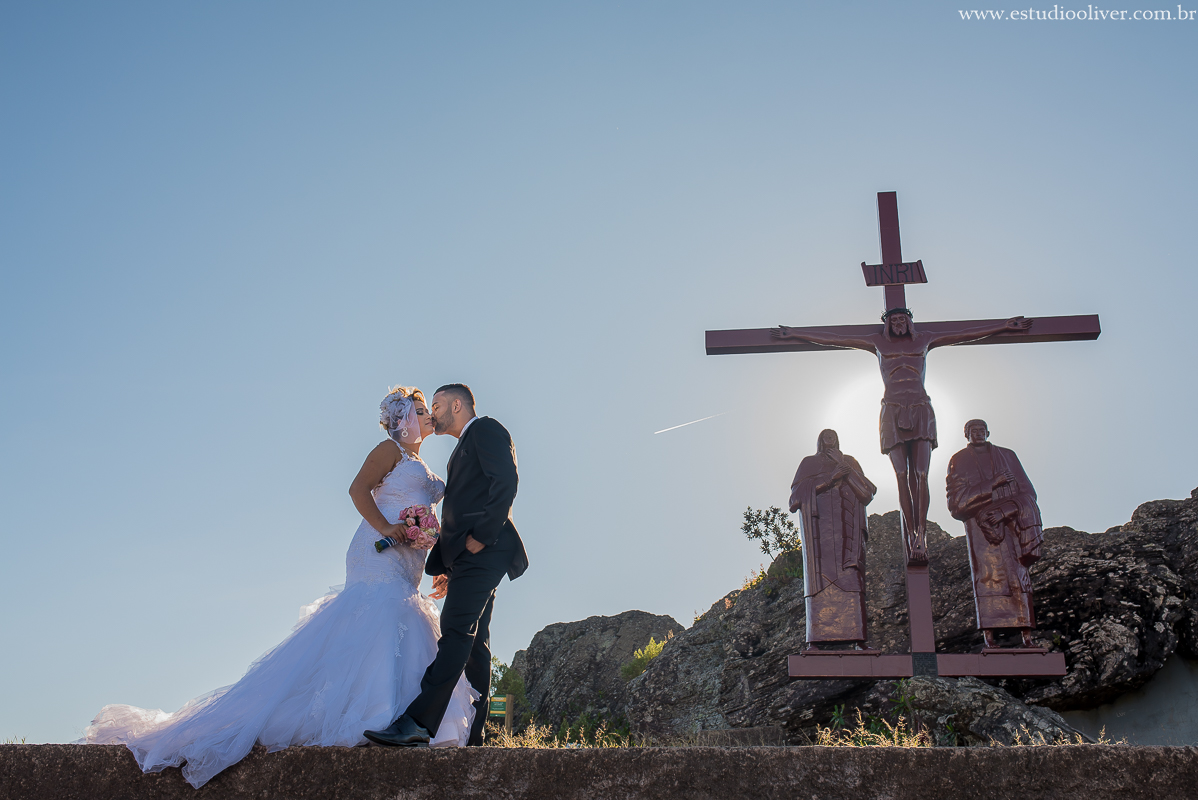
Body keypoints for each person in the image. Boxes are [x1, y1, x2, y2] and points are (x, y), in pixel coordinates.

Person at [82, 386, 479, 788]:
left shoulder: (421, 463)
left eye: (429, 409)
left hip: (409, 559)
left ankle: (402, 720)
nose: (429, 415)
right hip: (378, 551)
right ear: (404, 419)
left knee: (404, 619)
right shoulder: (388, 451)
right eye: (421, 410)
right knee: (379, 616)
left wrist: (436, 561)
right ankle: (374, 716)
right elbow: (357, 490)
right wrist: (388, 527)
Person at [772, 309, 1032, 563]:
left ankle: (922, 534)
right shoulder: (877, 342)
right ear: (887, 324)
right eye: (894, 319)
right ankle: (910, 534)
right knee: (900, 476)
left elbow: (964, 333)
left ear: (910, 321)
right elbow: (835, 338)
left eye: (903, 319)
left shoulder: (924, 339)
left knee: (920, 474)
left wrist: (1003, 326)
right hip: (892, 410)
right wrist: (796, 333)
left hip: (920, 407)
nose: (898, 323)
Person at [365, 383, 527, 748]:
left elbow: (506, 480)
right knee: (475, 644)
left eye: (436, 405)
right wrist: (448, 564)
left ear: (456, 405)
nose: (432, 413)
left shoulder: (486, 429)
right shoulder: (460, 451)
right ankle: (476, 733)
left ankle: (418, 722)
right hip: (471, 556)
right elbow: (461, 510)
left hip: (488, 548)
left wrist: (483, 536)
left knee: (454, 627)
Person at [946, 419, 1044, 649]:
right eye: (973, 431)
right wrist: (993, 484)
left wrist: (1005, 510)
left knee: (1020, 577)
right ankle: (989, 637)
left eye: (981, 430)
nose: (978, 434)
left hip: (1012, 524)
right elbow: (956, 504)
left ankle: (1026, 636)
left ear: (988, 432)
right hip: (982, 530)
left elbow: (1028, 491)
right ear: (966, 435)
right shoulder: (958, 460)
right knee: (987, 578)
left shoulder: (1007, 456)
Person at [789, 429, 877, 647]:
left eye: (833, 436)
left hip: (848, 534)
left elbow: (867, 493)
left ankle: (858, 639)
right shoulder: (809, 463)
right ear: (819, 441)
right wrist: (830, 478)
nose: (830, 440)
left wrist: (846, 472)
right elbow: (794, 500)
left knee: (852, 580)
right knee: (820, 582)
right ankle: (816, 641)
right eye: (826, 437)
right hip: (821, 535)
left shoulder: (850, 461)